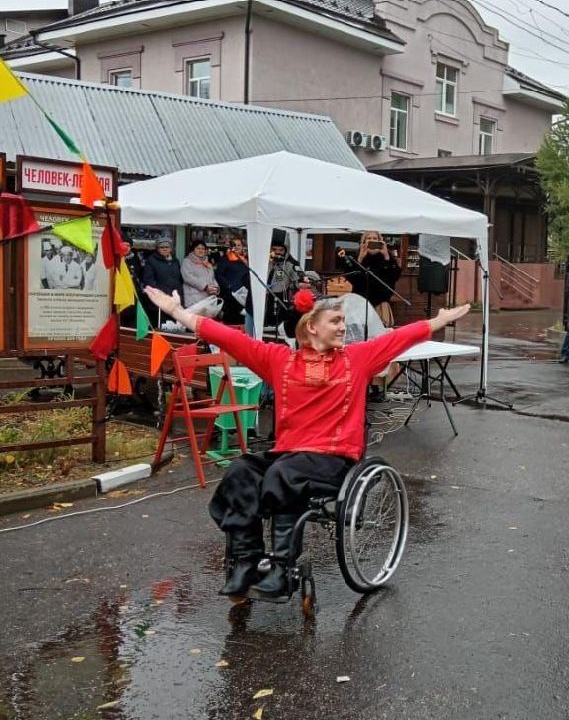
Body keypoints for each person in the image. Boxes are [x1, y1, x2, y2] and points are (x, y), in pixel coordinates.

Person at [144, 283, 470, 600]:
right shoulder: (279, 360)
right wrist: (177, 312)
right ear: (311, 327)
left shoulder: (358, 358)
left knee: (283, 474)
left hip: (334, 458)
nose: (344, 327)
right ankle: (246, 562)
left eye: (343, 321)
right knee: (240, 472)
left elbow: (400, 338)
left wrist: (439, 320)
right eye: (336, 321)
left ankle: (282, 569)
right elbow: (229, 338)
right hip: (289, 454)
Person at [339, 231, 402, 328]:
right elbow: (352, 277)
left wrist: (386, 256)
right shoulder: (357, 257)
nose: (372, 240)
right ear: (363, 242)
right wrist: (360, 258)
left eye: (375, 239)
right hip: (360, 302)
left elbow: (394, 277)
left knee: (379, 334)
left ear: (380, 241)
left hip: (380, 303)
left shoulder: (387, 257)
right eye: (369, 238)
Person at [215, 235, 253, 329]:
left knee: (244, 322)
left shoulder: (245, 259)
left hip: (245, 295)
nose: (236, 247)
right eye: (234, 245)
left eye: (239, 245)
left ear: (242, 246)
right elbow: (218, 275)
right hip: (231, 296)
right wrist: (229, 286)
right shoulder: (225, 259)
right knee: (231, 323)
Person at [265, 238, 302, 329]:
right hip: (263, 297)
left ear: (285, 251)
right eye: (274, 249)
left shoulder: (291, 263)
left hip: (280, 297)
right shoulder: (264, 261)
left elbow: (298, 280)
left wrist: (300, 283)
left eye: (281, 250)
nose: (278, 252)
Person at [180, 239, 219, 308]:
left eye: (203, 249)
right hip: (194, 298)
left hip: (207, 298)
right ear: (193, 249)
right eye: (198, 248)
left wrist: (216, 288)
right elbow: (188, 278)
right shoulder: (187, 262)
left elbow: (212, 278)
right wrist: (205, 287)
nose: (201, 250)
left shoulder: (207, 263)